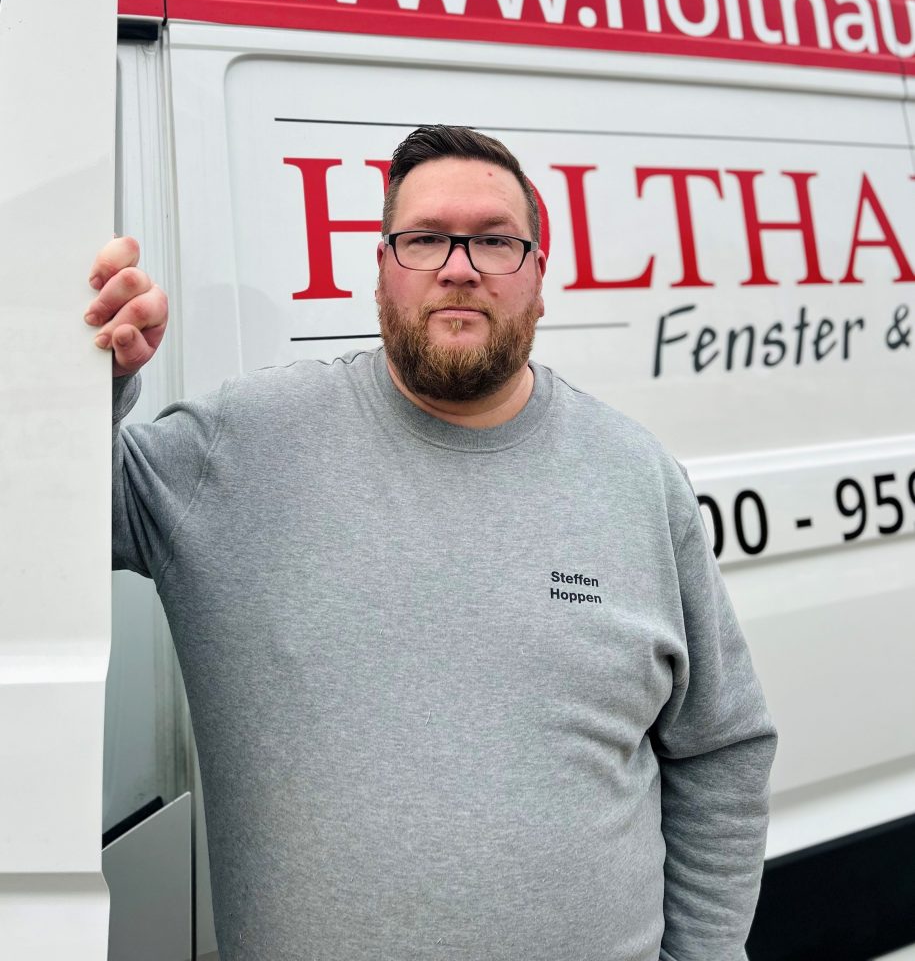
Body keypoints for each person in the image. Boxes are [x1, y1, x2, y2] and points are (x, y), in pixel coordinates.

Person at [86, 125, 776, 961]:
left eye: (494, 241)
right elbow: (47, 523)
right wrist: (86, 379)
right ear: (380, 272)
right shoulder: (237, 451)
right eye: (424, 239)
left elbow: (720, 749)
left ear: (538, 279)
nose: (459, 267)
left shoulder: (635, 475)